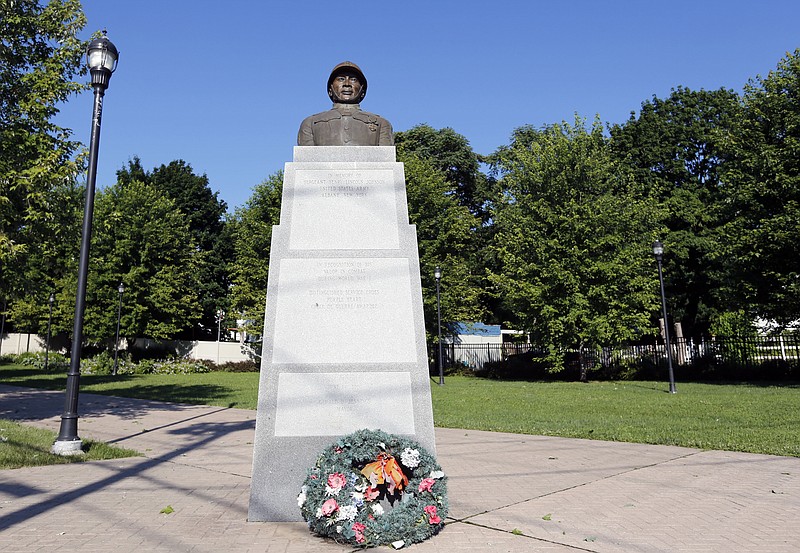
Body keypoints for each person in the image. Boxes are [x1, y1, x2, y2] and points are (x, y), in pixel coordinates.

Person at [298, 61, 394, 146]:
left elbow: (385, 159)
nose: (347, 84)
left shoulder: (381, 124)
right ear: (330, 89)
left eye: (353, 79)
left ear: (362, 90)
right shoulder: (310, 123)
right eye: (341, 79)